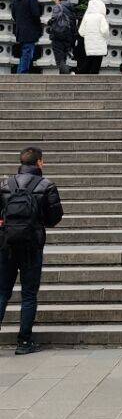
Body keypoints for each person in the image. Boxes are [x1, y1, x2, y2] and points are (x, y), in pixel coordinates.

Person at [0, 145, 63, 354]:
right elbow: (55, 218)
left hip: (6, 245)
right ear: (39, 162)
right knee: (28, 294)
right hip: (32, 246)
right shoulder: (46, 185)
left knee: (2, 292)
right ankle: (24, 342)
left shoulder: (5, 184)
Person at [12, 0, 41, 76]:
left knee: (25, 51)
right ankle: (22, 73)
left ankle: (20, 72)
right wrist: (38, 27)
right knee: (28, 51)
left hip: (20, 28)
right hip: (30, 29)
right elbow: (35, 14)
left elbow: (13, 13)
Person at [78, 0, 110, 75]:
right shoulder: (101, 17)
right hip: (99, 45)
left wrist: (88, 36)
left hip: (89, 45)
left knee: (88, 62)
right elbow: (105, 30)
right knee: (96, 65)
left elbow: (81, 32)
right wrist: (105, 37)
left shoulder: (86, 17)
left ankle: (80, 75)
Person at [47, 0, 77, 74]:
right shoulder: (71, 9)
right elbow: (74, 25)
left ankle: (69, 74)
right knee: (64, 58)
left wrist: (49, 23)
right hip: (69, 37)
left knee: (59, 60)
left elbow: (54, 18)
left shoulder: (58, 7)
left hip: (58, 35)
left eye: (55, 0)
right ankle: (63, 79)